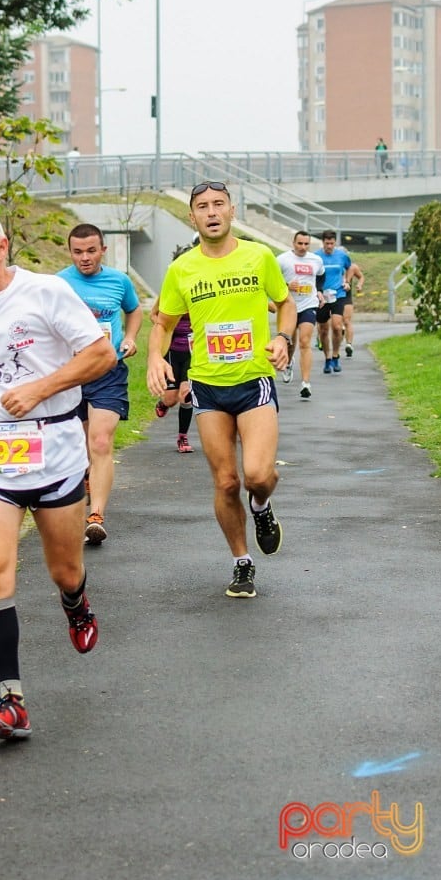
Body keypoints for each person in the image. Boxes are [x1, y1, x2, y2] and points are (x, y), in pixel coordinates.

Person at [0, 211, 116, 741]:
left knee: (64, 570)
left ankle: (76, 602)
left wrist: (39, 388)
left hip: (53, 446)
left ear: (1, 247)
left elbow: (99, 353)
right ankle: (12, 698)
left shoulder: (45, 293)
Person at [147, 181, 296, 599]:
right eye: (201, 207)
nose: (211, 212)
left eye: (218, 204)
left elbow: (285, 303)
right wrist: (155, 358)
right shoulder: (183, 269)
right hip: (209, 388)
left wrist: (283, 338)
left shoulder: (258, 256)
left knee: (257, 476)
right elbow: (163, 321)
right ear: (192, 217)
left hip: (253, 382)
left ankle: (262, 507)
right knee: (227, 481)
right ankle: (241, 562)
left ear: (231, 211)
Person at [58, 223, 143, 545]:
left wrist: (131, 337)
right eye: (78, 252)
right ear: (70, 252)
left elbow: (134, 311)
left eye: (91, 250)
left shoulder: (119, 281)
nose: (84, 258)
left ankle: (96, 516)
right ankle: (86, 482)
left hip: (109, 371)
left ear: (103, 250)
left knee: (101, 443)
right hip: (71, 374)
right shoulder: (57, 283)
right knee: (79, 450)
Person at [151, 243, 195, 453]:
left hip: (194, 351)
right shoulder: (171, 289)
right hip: (172, 349)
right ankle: (163, 404)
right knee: (170, 398)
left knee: (186, 394)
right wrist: (164, 326)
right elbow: (154, 314)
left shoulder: (202, 286)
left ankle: (183, 437)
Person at [276, 230, 326, 399]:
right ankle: (289, 362)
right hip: (289, 306)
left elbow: (321, 275)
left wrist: (319, 291)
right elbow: (273, 282)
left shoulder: (316, 260)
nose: (303, 247)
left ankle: (305, 383)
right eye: (300, 243)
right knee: (290, 342)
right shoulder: (282, 260)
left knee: (305, 342)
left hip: (308, 304)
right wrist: (287, 285)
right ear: (293, 243)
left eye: (306, 244)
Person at [315, 230, 351, 374]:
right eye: (326, 243)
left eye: (331, 243)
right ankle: (327, 358)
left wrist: (347, 281)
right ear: (323, 242)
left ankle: (336, 355)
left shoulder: (342, 256)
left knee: (337, 327)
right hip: (322, 296)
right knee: (323, 330)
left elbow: (350, 268)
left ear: (335, 242)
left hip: (338, 294)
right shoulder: (316, 257)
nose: (329, 246)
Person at [341, 258, 364, 357]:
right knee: (335, 323)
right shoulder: (333, 266)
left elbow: (361, 277)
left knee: (347, 321)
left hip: (346, 297)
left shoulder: (353, 267)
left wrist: (359, 285)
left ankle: (349, 344)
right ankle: (334, 348)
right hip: (332, 296)